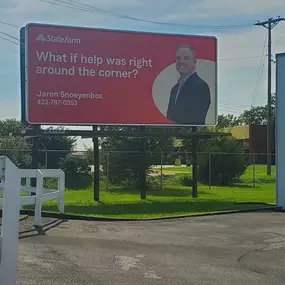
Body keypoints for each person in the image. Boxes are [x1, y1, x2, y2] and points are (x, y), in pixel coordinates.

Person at [166, 44, 211, 125]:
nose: (181, 61)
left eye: (186, 58)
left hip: (187, 133)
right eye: (178, 58)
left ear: (194, 61)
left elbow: (196, 117)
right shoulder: (174, 89)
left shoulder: (200, 86)